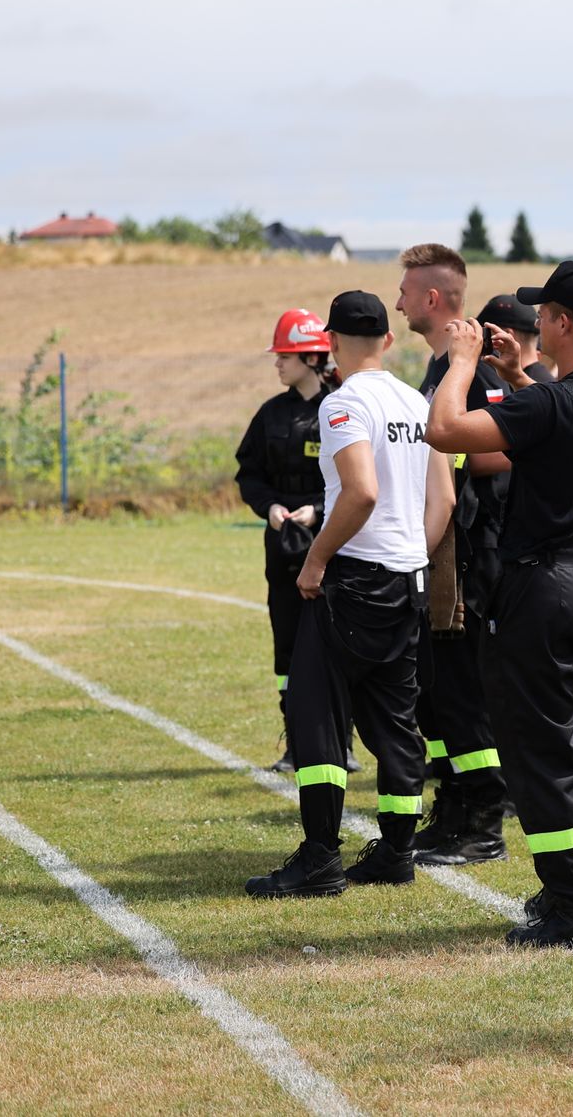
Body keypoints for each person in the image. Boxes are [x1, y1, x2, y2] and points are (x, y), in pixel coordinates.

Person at [424, 261, 573, 948]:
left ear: (561, 323)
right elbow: (557, 425)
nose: (533, 323)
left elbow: (446, 429)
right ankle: (564, 885)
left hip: (541, 588)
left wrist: (460, 362)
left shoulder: (551, 403)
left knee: (538, 741)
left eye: (542, 314)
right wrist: (520, 373)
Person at [246, 290, 454, 898]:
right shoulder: (418, 401)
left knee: (318, 715)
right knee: (395, 723)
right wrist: (411, 553)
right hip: (407, 579)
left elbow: (359, 493)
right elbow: (440, 501)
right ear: (388, 341)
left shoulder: (343, 404)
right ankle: (395, 850)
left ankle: (319, 858)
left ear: (331, 344)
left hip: (355, 581)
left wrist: (315, 561)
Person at [395, 244, 515, 867]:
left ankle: (484, 822)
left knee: (465, 693)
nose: (398, 302)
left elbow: (507, 450)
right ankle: (454, 809)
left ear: (433, 299)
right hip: (447, 550)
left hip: (474, 553)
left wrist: (445, 452)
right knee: (438, 694)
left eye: (407, 292)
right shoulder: (440, 368)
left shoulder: (475, 370)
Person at [234, 308, 334, 772]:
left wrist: (319, 508)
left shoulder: (339, 407)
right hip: (284, 548)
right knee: (288, 648)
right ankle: (297, 743)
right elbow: (249, 475)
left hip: (334, 543)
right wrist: (270, 507)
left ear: (312, 358)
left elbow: (358, 479)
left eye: (286, 356)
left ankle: (341, 744)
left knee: (335, 643)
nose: (277, 363)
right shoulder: (271, 414)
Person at [478, 293, 555, 383]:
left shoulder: (523, 390)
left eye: (486, 333)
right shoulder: (547, 383)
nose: (481, 339)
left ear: (506, 336)